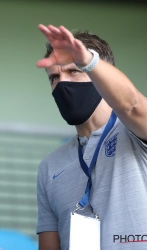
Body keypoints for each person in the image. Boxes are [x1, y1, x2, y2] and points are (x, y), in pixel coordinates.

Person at [36, 24, 147, 250]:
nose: (62, 82)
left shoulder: (136, 131)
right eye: (54, 77)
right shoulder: (49, 166)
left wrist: (88, 60)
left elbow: (132, 105)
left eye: (74, 70)